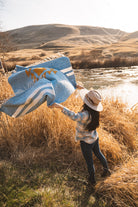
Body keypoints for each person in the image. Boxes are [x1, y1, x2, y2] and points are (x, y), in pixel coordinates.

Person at [49, 85, 111, 186]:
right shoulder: (95, 112)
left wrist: (60, 106)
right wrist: (81, 88)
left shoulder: (85, 115)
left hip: (86, 142)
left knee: (89, 161)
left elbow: (74, 116)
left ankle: (92, 181)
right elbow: (91, 98)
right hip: (94, 137)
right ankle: (106, 170)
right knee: (98, 153)